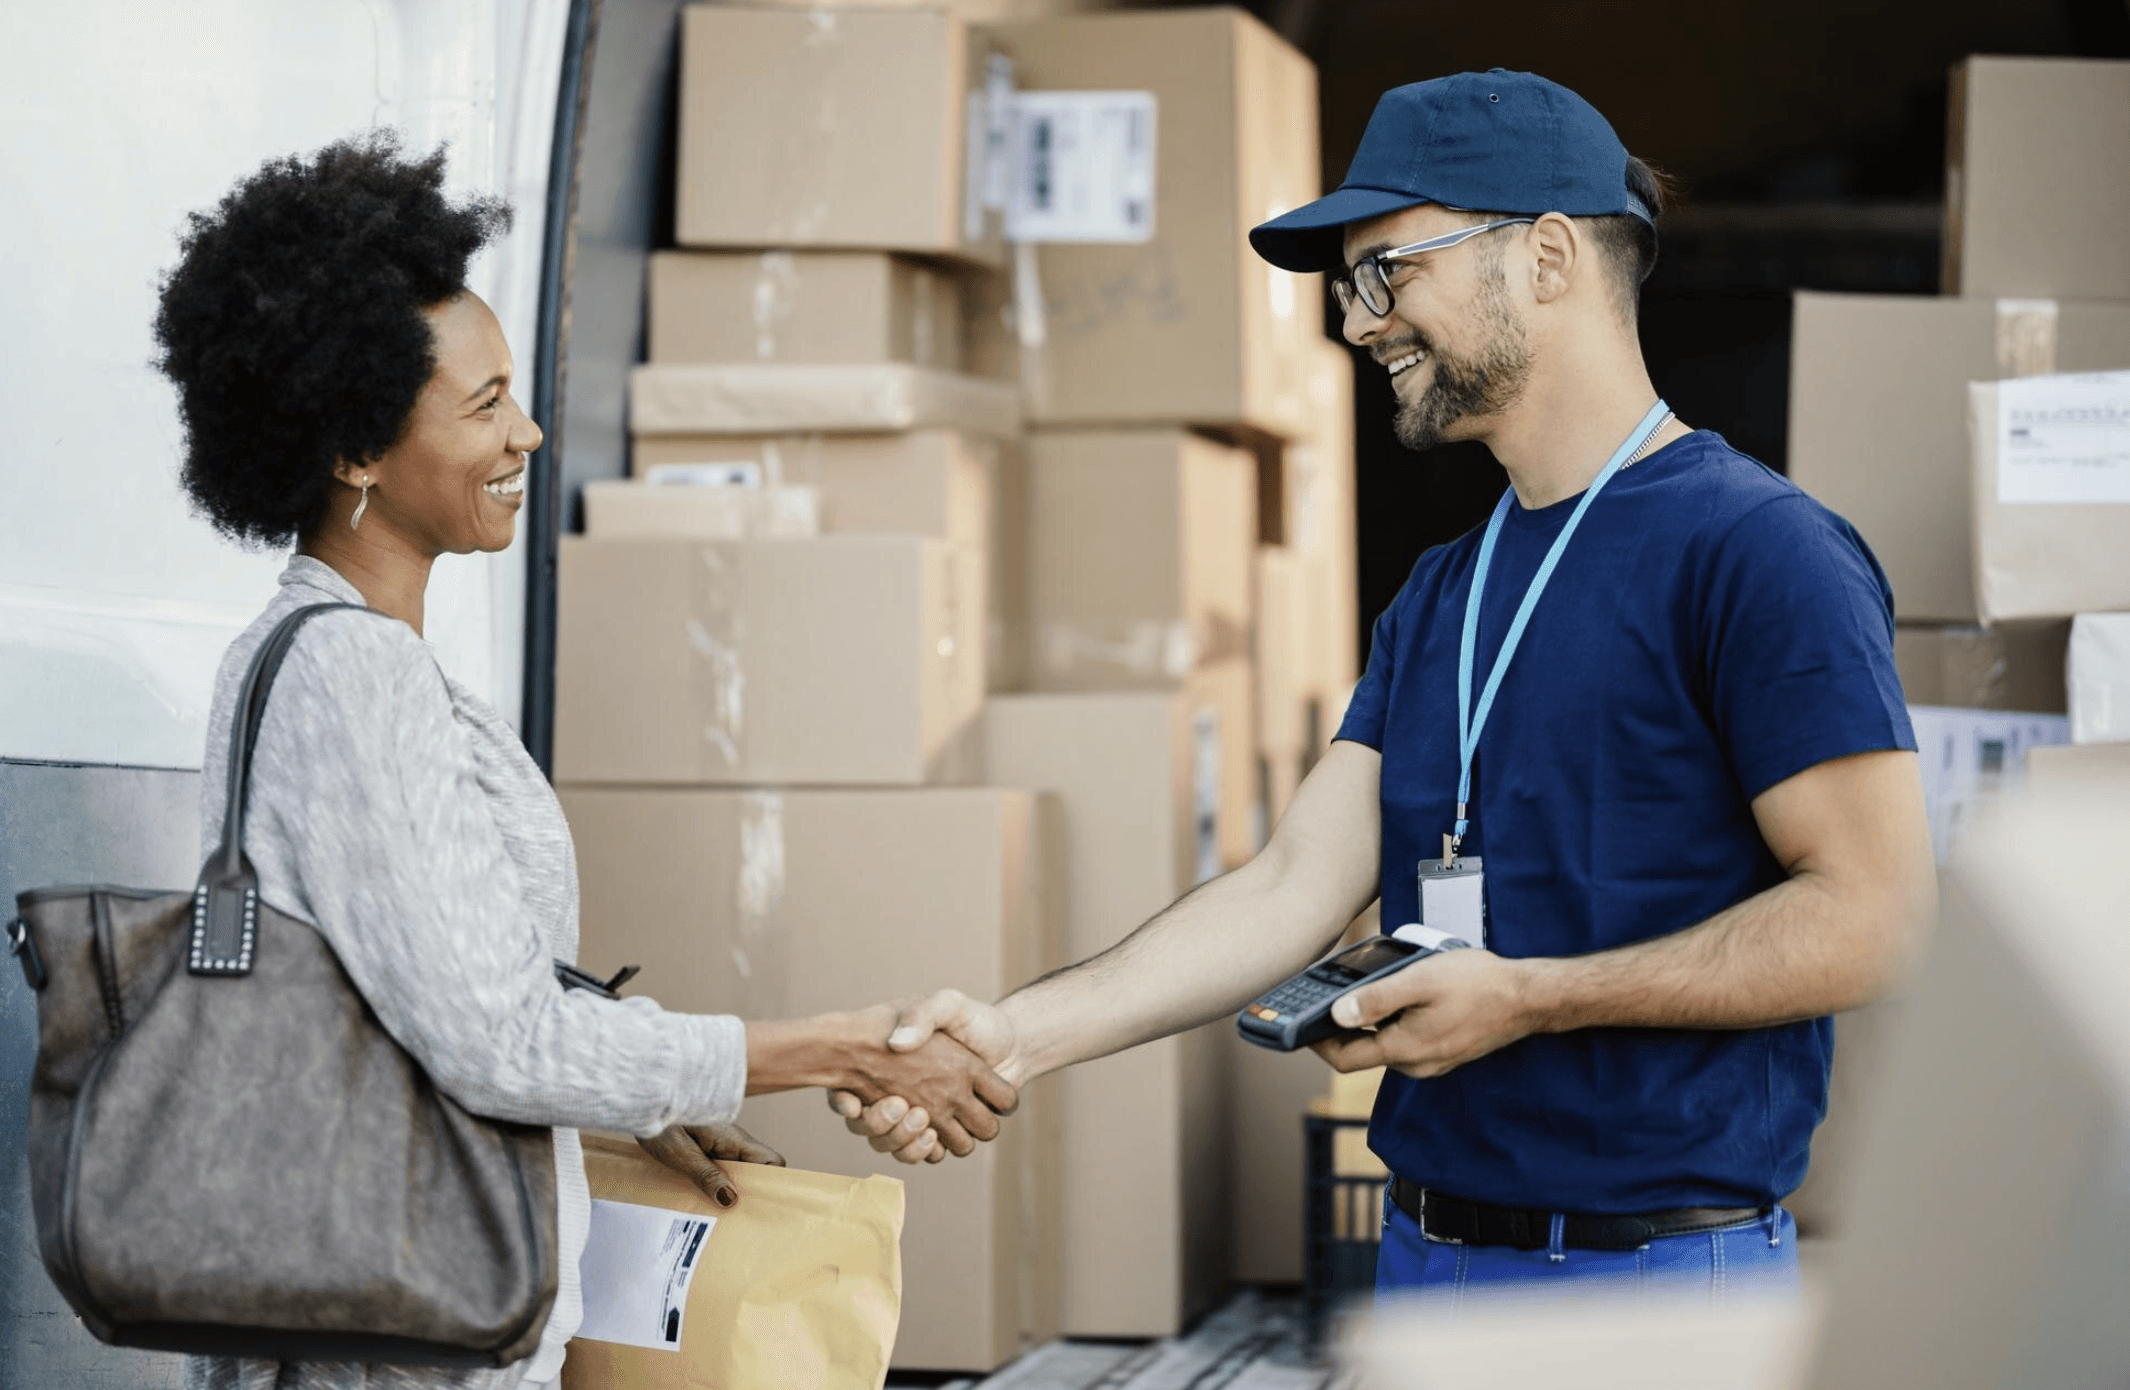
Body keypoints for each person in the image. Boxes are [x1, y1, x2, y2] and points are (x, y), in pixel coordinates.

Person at [838, 70, 1937, 1299]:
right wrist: (1014, 1036)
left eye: (1387, 273)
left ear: (1549, 258)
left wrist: (1529, 999)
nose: (1360, 324)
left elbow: (1874, 916)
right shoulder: (1443, 589)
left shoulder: (1762, 551)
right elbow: (1293, 883)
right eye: (1349, 287)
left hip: (1658, 1276)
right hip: (1426, 1259)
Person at [158, 134, 1009, 1390]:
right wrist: (837, 1046)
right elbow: (499, 1040)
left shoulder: (323, 655)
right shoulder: (353, 675)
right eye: (486, 405)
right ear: (352, 450)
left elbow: (438, 982)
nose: (532, 431)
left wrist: (644, 1089)